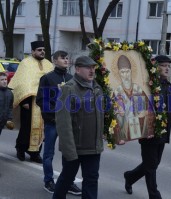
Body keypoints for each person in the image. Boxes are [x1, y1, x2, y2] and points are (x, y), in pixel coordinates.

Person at [123, 55, 171, 199]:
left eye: (169, 66)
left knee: (153, 164)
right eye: (163, 65)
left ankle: (130, 177)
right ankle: (154, 195)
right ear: (155, 67)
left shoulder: (169, 86)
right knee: (151, 166)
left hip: (163, 132)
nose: (167, 68)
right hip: (148, 132)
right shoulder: (146, 85)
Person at [52, 56, 104, 199]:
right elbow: (63, 122)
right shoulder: (69, 88)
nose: (92, 71)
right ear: (78, 69)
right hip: (75, 147)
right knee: (66, 179)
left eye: (93, 68)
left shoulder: (97, 88)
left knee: (91, 181)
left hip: (93, 148)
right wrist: (69, 150)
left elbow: (100, 117)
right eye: (88, 68)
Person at [36, 51, 81, 195]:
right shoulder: (47, 78)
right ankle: (48, 180)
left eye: (67, 58)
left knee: (69, 153)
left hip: (68, 123)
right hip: (52, 122)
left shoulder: (72, 78)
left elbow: (75, 100)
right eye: (63, 58)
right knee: (48, 153)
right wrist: (53, 115)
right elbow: (41, 100)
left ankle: (68, 181)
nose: (66, 60)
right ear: (55, 61)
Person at [8, 41, 53, 163]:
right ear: (33, 51)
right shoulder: (26, 63)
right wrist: (24, 102)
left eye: (43, 49)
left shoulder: (49, 64)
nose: (42, 51)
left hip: (43, 103)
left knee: (41, 129)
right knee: (26, 128)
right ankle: (20, 149)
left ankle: (35, 153)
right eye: (39, 50)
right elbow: (22, 83)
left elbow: (51, 82)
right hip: (29, 102)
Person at [113, 55, 155, 142]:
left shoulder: (138, 89)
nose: (125, 75)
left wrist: (146, 112)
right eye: (122, 72)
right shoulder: (117, 92)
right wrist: (118, 112)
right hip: (125, 131)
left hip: (139, 128)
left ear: (131, 72)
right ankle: (120, 137)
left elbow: (149, 108)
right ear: (119, 74)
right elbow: (110, 113)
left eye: (127, 71)